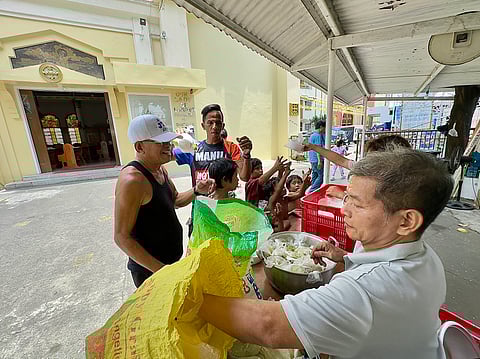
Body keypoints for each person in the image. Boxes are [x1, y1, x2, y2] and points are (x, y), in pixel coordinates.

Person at [198, 149, 453, 359]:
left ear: (407, 220)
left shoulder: (361, 292)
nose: (345, 210)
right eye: (347, 199)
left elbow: (268, 325)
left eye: (357, 203)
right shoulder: (427, 259)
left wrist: (189, 297)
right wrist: (343, 257)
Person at [113, 114, 214, 288]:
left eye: (168, 141)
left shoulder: (159, 170)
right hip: (150, 272)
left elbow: (175, 200)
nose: (168, 146)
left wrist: (197, 190)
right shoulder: (132, 181)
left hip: (169, 264)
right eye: (161, 143)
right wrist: (162, 271)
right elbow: (121, 237)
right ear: (140, 147)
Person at [173, 104, 253, 235]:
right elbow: (165, 155)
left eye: (218, 123)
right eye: (210, 122)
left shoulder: (231, 148)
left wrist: (247, 155)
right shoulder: (193, 149)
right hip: (200, 210)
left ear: (223, 125)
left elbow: (244, 177)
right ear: (203, 125)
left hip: (224, 213)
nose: (214, 127)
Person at [307, 134, 412, 199]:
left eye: (373, 160)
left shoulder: (397, 188)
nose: (368, 163)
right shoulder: (367, 169)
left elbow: (369, 210)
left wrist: (341, 195)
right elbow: (341, 160)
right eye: (368, 158)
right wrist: (313, 147)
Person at [308, 120, 326, 192]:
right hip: (316, 159)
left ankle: (311, 189)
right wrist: (320, 161)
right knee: (321, 176)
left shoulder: (312, 135)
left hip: (312, 159)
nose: (325, 129)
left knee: (315, 174)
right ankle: (312, 190)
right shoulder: (318, 135)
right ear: (321, 127)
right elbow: (318, 149)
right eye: (325, 127)